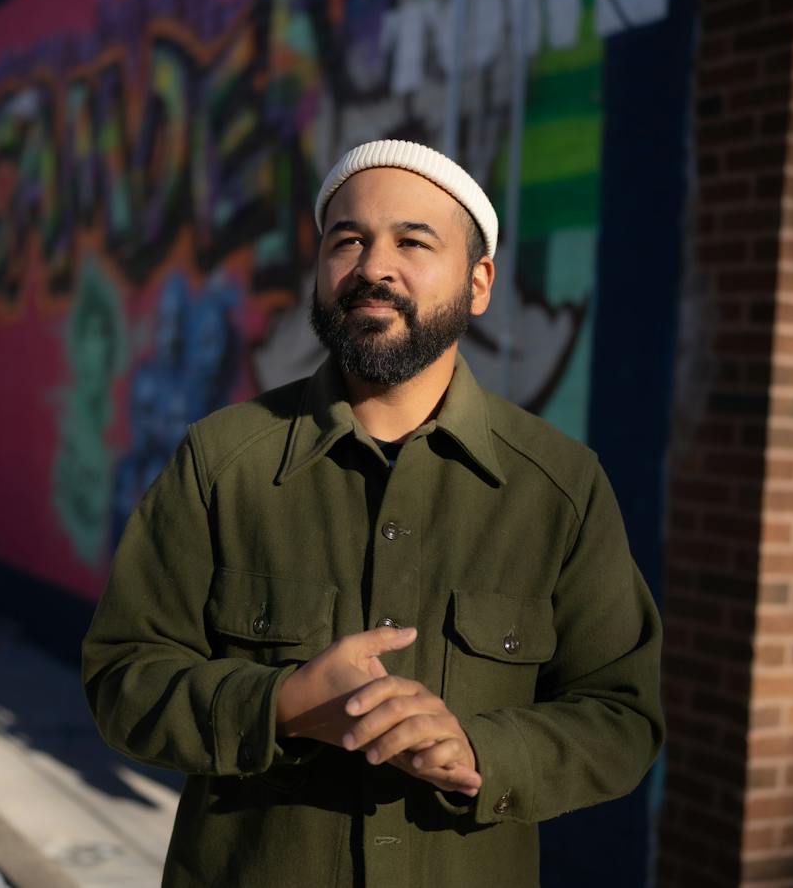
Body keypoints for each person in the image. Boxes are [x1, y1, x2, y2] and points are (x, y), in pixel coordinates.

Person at [82, 139, 664, 887]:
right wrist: (281, 705)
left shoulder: (560, 488)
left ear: (479, 282)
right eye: (347, 241)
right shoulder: (223, 462)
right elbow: (122, 677)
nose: (372, 267)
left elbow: (622, 716)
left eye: (412, 241)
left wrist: (480, 752)